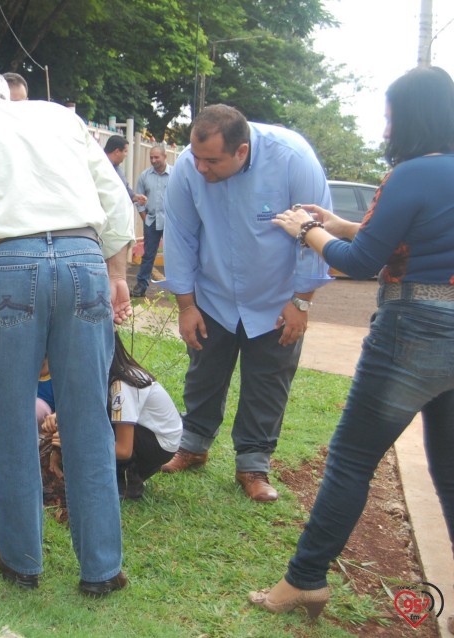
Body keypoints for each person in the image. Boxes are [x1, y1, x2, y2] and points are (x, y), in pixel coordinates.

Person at [249, 66, 454, 620]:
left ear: (411, 117)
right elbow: (402, 241)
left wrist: (305, 231)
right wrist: (334, 222)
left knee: (351, 459)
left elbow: (363, 263)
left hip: (416, 329)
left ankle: (305, 580)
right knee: (452, 471)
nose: (386, 127)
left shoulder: (411, 174)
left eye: (390, 116)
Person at [0, 71, 136, 596]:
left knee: (13, 417)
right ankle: (102, 570)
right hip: (82, 257)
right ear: (5, 98)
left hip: (11, 260)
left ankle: (21, 560)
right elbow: (115, 201)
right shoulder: (61, 117)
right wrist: (115, 272)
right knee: (89, 415)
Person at [159, 103, 332, 503]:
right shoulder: (189, 166)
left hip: (277, 298)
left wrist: (302, 302)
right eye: (197, 157)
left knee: (269, 378)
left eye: (212, 161)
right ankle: (193, 444)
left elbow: (316, 233)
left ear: (242, 151)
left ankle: (253, 465)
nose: (201, 168)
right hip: (214, 295)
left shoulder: (293, 159)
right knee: (205, 369)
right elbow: (181, 236)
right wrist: (186, 305)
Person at [41, 331, 181, 501]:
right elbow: (82, 406)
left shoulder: (122, 386)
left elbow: (123, 450)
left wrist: (76, 443)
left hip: (156, 444)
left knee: (87, 433)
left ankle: (128, 483)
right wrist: (60, 418)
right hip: (141, 435)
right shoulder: (102, 378)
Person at [132, 144, 170, 297]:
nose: (153, 160)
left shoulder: (175, 174)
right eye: (151, 157)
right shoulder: (144, 176)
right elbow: (138, 200)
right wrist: (145, 217)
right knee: (148, 255)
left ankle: (182, 288)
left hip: (171, 222)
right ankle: (141, 285)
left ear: (164, 156)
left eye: (156, 157)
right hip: (152, 221)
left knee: (176, 254)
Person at [104, 135, 135, 200]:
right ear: (117, 151)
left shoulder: (119, 170)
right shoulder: (101, 167)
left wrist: (134, 197)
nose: (126, 155)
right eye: (125, 151)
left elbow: (125, 189)